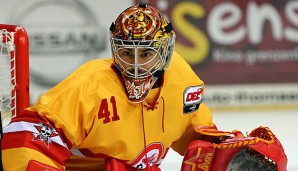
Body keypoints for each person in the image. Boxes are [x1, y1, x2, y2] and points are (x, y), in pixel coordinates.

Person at [2, 3, 287, 171]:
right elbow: (26, 136)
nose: (136, 65)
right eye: (127, 53)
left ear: (165, 51)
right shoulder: (90, 85)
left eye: (146, 53)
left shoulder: (181, 78)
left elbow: (190, 131)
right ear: (115, 50)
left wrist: (226, 153)